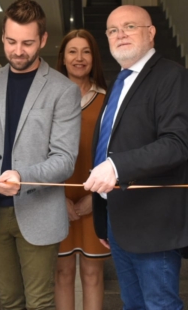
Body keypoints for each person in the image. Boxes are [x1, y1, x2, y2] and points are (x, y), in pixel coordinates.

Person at [0, 0, 81, 310]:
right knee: (8, 301)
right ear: (2, 37)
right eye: (11, 41)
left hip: (39, 213)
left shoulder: (63, 90)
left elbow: (64, 159)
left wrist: (22, 178)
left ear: (43, 40)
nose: (18, 50)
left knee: (39, 303)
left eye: (27, 42)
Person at [83, 5, 188, 309]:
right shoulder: (120, 82)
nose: (120, 35)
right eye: (112, 30)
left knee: (159, 305)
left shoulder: (171, 76)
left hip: (153, 224)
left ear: (151, 32)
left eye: (130, 26)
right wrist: (104, 218)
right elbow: (110, 143)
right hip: (119, 221)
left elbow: (176, 144)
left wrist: (117, 166)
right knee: (132, 305)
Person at [54, 29, 109, 310]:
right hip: (55, 200)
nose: (79, 57)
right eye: (72, 51)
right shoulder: (47, 98)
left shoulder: (108, 100)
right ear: (62, 58)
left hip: (94, 197)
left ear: (94, 58)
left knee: (92, 273)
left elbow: (114, 154)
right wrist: (55, 198)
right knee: (62, 273)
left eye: (86, 51)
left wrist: (97, 198)